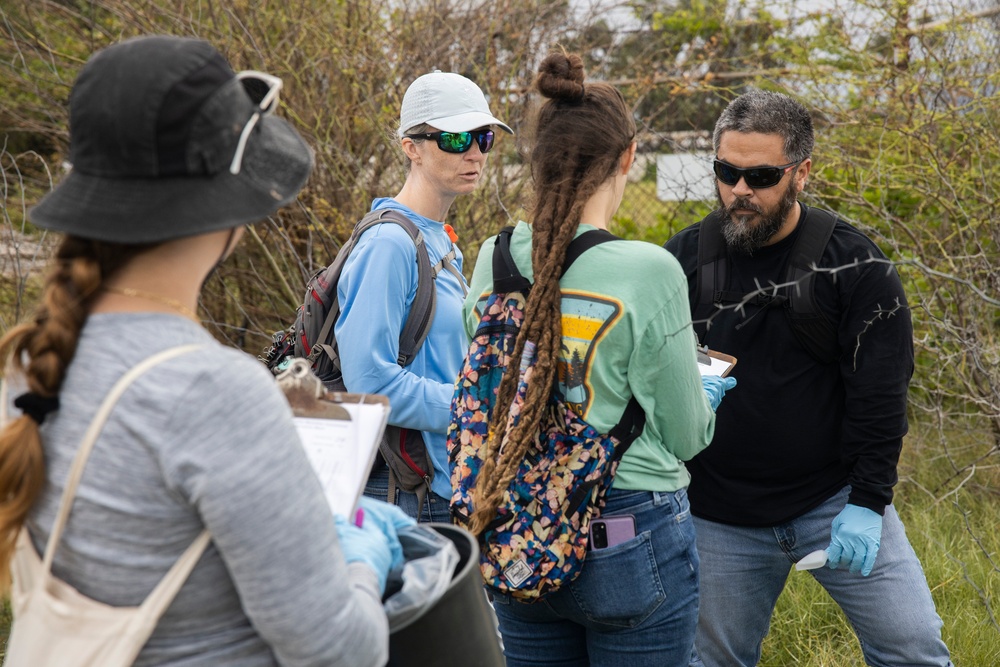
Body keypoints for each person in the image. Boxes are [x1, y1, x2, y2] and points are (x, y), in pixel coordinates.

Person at [0, 35, 412, 666]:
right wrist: (362, 556)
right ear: (230, 206)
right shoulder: (212, 389)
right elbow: (340, 650)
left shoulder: (25, 366)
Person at [461, 52, 733, 667]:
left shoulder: (494, 259)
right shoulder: (649, 269)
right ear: (628, 157)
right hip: (628, 527)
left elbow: (481, 393)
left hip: (517, 525)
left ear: (541, 159)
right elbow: (687, 437)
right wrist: (703, 396)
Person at [663, 89, 952, 667]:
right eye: (727, 171)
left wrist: (869, 502)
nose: (741, 190)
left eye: (763, 175)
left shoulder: (856, 267)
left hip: (836, 500)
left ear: (801, 174)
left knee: (914, 649)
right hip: (717, 512)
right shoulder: (682, 262)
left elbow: (881, 395)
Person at [340, 69, 513, 522]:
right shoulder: (389, 245)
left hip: (447, 485)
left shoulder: (437, 240)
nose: (475, 152)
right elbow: (369, 384)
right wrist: (475, 406)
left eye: (484, 137)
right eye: (456, 139)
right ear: (411, 147)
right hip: (408, 496)